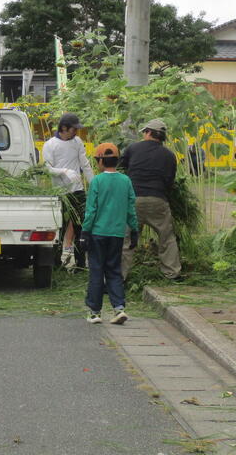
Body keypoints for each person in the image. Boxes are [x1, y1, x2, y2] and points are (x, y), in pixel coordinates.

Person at [80, 143, 138, 325]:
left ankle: (94, 312)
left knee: (97, 271)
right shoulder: (126, 181)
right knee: (114, 270)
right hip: (117, 234)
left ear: (100, 161)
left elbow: (91, 210)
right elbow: (131, 208)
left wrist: (84, 232)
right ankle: (119, 308)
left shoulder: (97, 181)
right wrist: (134, 230)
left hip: (98, 233)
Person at [119, 119, 182, 281]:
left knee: (127, 240)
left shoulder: (133, 148)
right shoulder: (169, 155)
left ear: (148, 133)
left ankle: (118, 277)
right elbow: (169, 181)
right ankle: (172, 273)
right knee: (167, 237)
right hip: (157, 199)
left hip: (134, 200)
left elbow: (122, 166)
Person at [42, 113, 94, 269]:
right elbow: (47, 168)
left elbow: (85, 164)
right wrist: (64, 171)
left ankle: (80, 264)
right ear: (64, 128)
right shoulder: (50, 145)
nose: (76, 132)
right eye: (73, 129)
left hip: (77, 190)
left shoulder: (77, 142)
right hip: (60, 192)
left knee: (80, 226)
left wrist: (94, 184)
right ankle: (56, 263)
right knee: (60, 226)